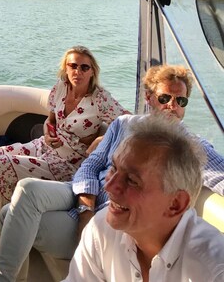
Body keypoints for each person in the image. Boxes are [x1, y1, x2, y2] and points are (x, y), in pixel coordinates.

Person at [0, 64, 224, 282]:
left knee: (9, 214)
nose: (172, 105)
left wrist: (91, 214)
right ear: (149, 98)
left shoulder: (188, 146)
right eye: (165, 98)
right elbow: (91, 165)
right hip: (85, 196)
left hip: (111, 210)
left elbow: (220, 175)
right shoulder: (124, 124)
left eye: (181, 100)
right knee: (27, 189)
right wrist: (85, 207)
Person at [0, 46, 130, 254]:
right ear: (66, 68)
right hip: (44, 146)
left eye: (84, 67)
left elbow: (128, 124)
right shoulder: (61, 87)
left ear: (92, 71)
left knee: (4, 165)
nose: (78, 71)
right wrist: (48, 131)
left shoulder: (100, 99)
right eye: (73, 66)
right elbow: (51, 119)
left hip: (67, 162)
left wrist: (99, 140)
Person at [64, 115, 224, 281]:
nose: (109, 186)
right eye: (114, 168)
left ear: (175, 204)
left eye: (132, 181)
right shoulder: (101, 229)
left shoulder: (213, 270)